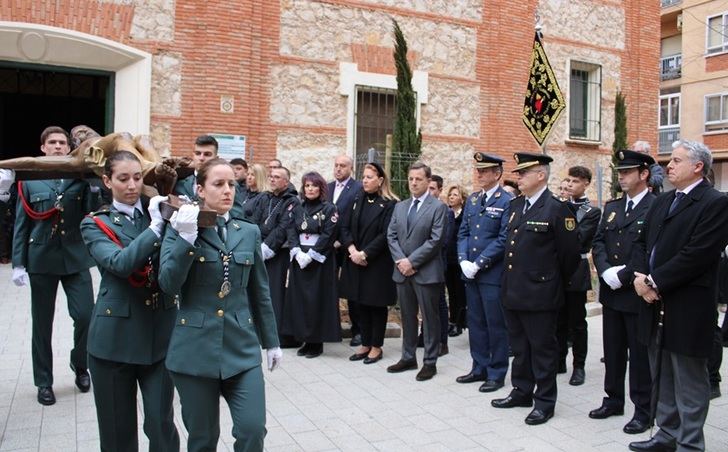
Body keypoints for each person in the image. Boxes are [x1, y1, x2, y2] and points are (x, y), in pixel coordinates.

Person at [158, 158, 282, 452]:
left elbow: (259, 291)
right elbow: (168, 284)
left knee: (252, 431)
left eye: (232, 184)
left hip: (241, 349)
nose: (228, 191)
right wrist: (186, 238)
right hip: (194, 351)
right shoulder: (180, 227)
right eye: (219, 184)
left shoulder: (247, 231)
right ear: (199, 189)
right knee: (203, 439)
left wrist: (271, 341)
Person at [629, 140, 728, 452]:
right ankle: (666, 434)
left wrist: (655, 281)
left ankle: (690, 442)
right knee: (662, 372)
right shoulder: (663, 200)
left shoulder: (715, 202)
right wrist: (641, 279)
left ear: (698, 166)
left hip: (688, 305)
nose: (667, 167)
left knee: (689, 379)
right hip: (653, 302)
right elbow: (642, 242)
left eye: (675, 161)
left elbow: (697, 254)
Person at [80, 150, 179, 451]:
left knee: (161, 426)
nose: (132, 185)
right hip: (114, 342)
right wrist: (155, 228)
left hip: (158, 336)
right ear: (107, 181)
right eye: (123, 179)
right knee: (117, 433)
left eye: (137, 177)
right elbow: (121, 264)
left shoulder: (161, 211)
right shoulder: (95, 223)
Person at [11, 126, 100, 405]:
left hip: (75, 258)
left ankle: (80, 363)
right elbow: (21, 224)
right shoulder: (29, 181)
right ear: (43, 148)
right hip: (42, 259)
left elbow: (92, 213)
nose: (59, 147)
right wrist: (18, 263)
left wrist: (96, 183)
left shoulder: (79, 177)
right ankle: (44, 381)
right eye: (53, 143)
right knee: (42, 325)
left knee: (86, 316)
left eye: (63, 142)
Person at [491, 152, 579, 426]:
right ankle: (521, 390)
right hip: (514, 291)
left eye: (523, 173)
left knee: (542, 350)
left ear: (540, 175)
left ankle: (544, 401)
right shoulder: (518, 205)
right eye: (518, 173)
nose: (518, 177)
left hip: (540, 294)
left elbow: (569, 256)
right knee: (519, 347)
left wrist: (549, 282)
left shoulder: (557, 208)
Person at [589, 150, 655, 435]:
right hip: (612, 291)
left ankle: (643, 409)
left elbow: (650, 249)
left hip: (636, 292)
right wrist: (605, 271)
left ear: (644, 174)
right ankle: (613, 399)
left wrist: (624, 275)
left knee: (639, 355)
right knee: (613, 351)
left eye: (627, 172)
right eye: (620, 172)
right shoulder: (613, 206)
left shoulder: (656, 205)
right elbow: (599, 241)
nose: (622, 177)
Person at [386, 161, 448, 381]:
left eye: (418, 179)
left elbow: (436, 240)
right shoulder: (400, 206)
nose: (413, 183)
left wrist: (412, 262)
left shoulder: (438, 207)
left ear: (428, 181)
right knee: (407, 316)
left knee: (429, 319)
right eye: (411, 179)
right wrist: (401, 261)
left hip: (426, 272)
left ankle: (430, 362)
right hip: (402, 271)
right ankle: (408, 357)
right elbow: (391, 236)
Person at [456, 153, 512, 393]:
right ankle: (479, 366)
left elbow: (503, 239)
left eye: (484, 170)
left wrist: (479, 263)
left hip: (491, 274)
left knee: (495, 324)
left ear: (497, 173)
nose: (478, 174)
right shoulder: (474, 199)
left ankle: (496, 372)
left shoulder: (506, 200)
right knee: (475, 322)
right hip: (470, 273)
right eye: (478, 170)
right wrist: (463, 260)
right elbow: (463, 233)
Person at [340, 162, 398, 364]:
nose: (364, 180)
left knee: (376, 305)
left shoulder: (389, 204)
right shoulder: (357, 199)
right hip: (355, 259)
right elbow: (344, 226)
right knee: (359, 303)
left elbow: (386, 234)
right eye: (363, 176)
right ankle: (364, 343)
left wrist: (365, 254)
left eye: (369, 177)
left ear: (380, 180)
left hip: (376, 263)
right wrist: (352, 250)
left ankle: (376, 346)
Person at [282, 172, 341, 357]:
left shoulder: (329, 209)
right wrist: (296, 251)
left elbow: (328, 234)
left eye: (314, 185)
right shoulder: (297, 207)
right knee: (300, 300)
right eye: (307, 185)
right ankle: (305, 339)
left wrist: (313, 254)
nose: (310, 189)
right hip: (299, 258)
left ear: (321, 188)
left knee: (317, 300)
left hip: (319, 260)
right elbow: (290, 228)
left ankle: (317, 342)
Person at [557, 166, 601, 386]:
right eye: (569, 180)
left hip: (576, 268)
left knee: (577, 321)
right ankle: (559, 360)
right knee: (558, 319)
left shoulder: (591, 211)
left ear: (585, 184)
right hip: (557, 270)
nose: (570, 185)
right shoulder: (559, 206)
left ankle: (579, 366)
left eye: (575, 181)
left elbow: (580, 239)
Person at [249, 166, 300, 347]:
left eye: (277, 177)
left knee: (275, 294)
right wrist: (254, 244)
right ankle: (259, 333)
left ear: (286, 182)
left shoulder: (292, 201)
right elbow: (254, 221)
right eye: (270, 176)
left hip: (279, 254)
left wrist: (266, 248)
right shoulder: (265, 197)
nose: (272, 179)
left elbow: (284, 227)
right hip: (259, 247)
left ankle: (276, 336)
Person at [326, 155, 363, 346]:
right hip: (327, 247)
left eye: (343, 166)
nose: (338, 169)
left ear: (351, 168)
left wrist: (343, 241)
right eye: (336, 165)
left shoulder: (358, 188)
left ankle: (358, 330)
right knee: (328, 287)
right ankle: (330, 326)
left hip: (347, 245)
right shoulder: (328, 187)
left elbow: (356, 219)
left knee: (351, 289)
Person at [428, 174, 451, 356]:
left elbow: (443, 241)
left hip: (436, 264)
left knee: (438, 303)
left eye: (432, 188)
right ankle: (425, 336)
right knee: (425, 304)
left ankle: (442, 342)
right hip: (420, 264)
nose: (428, 192)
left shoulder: (444, 210)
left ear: (440, 190)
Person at [444, 183, 468, 337]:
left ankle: (460, 323)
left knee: (460, 293)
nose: (452, 197)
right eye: (450, 195)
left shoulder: (465, 215)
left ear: (462, 198)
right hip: (447, 258)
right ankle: (452, 321)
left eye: (455, 195)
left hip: (459, 259)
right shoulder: (446, 213)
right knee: (451, 292)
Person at [174, 135, 219, 199]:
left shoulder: (227, 186)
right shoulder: (180, 185)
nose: (201, 158)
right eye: (198, 153)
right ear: (193, 156)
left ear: (216, 159)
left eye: (207, 154)